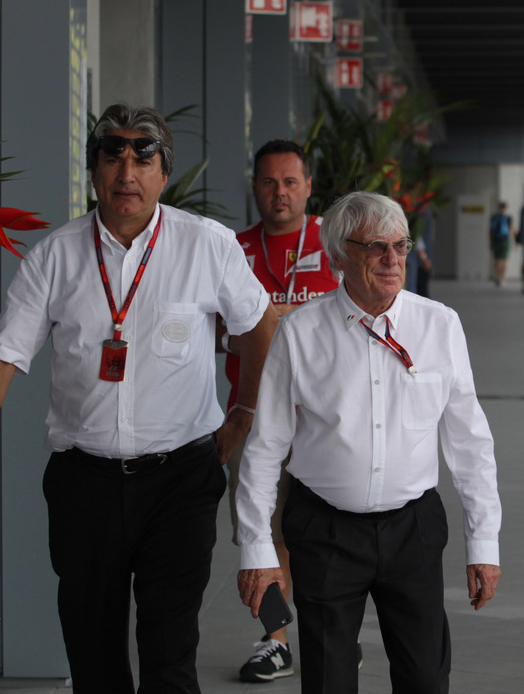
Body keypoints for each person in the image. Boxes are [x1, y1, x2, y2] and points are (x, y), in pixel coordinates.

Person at [0, 104, 278, 694]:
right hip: (85, 487)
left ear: (163, 173)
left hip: (180, 480)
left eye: (143, 156)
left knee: (169, 652)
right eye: (113, 155)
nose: (127, 171)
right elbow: (4, 355)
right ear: (94, 170)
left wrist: (243, 414)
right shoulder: (55, 256)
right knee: (93, 655)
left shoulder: (207, 245)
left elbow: (260, 327)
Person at [236, 191, 502, 694]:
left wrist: (483, 542)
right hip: (325, 530)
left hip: (413, 529)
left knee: (425, 677)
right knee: (329, 680)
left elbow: (470, 440)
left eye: (400, 246)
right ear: (339, 257)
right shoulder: (300, 332)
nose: (392, 259)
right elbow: (265, 446)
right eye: (376, 247)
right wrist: (257, 550)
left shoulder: (438, 325)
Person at [222, 139, 339, 683]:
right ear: (255, 187)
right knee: (260, 531)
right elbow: (221, 332)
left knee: (321, 533)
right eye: (269, 182)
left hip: (322, 418)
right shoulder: (232, 250)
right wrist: (290, 317)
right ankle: (276, 640)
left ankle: (330, 636)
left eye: (291, 182)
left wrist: (266, 319)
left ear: (309, 186)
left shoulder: (335, 244)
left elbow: (348, 321)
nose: (280, 193)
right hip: (249, 415)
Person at [489, 201, 511, 285]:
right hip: (505, 240)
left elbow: (491, 230)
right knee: (505, 259)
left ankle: (498, 277)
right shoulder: (508, 217)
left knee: (497, 259)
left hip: (496, 240)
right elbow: (512, 229)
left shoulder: (494, 217)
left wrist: (490, 241)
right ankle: (502, 277)